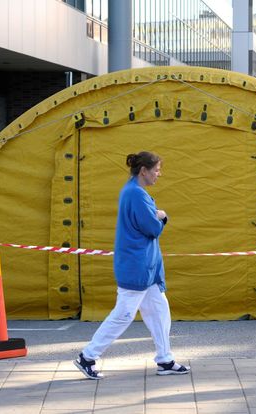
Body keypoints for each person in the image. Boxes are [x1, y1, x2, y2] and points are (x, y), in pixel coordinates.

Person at [74, 151, 190, 380]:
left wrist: (155, 215)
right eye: (156, 170)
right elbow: (152, 228)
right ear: (144, 171)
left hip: (144, 268)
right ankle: (87, 356)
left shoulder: (132, 191)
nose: (159, 174)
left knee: (159, 312)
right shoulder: (137, 195)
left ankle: (165, 359)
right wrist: (162, 216)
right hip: (138, 267)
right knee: (123, 314)